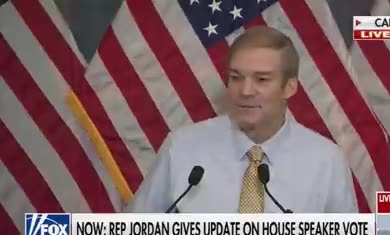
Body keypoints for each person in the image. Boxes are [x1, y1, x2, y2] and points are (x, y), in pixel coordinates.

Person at [127, 26, 358, 214]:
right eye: (236, 78)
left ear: (289, 87)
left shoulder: (327, 161)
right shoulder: (182, 148)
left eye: (261, 79)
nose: (245, 91)